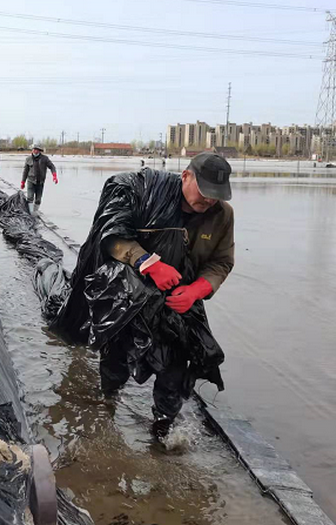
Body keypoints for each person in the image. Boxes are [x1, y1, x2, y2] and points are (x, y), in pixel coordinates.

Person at [54, 152, 234, 440]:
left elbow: (221, 262)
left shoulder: (222, 215)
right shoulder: (148, 195)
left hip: (179, 304)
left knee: (174, 370)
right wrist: (149, 263)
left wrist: (197, 290)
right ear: (186, 176)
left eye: (217, 195)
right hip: (131, 300)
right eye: (204, 192)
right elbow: (112, 237)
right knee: (115, 361)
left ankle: (162, 430)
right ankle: (107, 407)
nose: (209, 200)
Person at [20, 145, 58, 210]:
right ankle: (31, 212)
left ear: (39, 151)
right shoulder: (28, 159)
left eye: (37, 149)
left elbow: (52, 167)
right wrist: (23, 182)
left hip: (40, 182)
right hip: (31, 181)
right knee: (30, 198)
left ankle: (35, 211)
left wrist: (54, 176)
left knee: (38, 200)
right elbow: (25, 171)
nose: (35, 151)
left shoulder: (45, 159)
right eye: (34, 149)